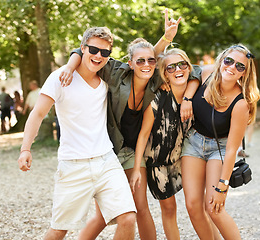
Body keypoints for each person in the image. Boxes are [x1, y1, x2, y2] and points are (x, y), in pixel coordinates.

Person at [59, 11, 201, 240]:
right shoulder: (115, 73)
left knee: (140, 207)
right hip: (107, 147)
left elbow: (193, 72)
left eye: (151, 61)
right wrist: (68, 67)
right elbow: (82, 51)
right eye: (140, 61)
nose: (146, 64)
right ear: (130, 63)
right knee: (103, 216)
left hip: (137, 151)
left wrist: (187, 98)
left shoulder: (157, 77)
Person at [17, 27, 137, 240]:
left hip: (106, 161)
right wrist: (26, 148)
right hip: (73, 164)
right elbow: (37, 114)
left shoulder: (106, 79)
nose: (98, 56)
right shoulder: (60, 78)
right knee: (59, 230)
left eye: (105, 52)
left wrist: (166, 39)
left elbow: (142, 60)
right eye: (93, 49)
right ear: (82, 48)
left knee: (128, 218)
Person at [130, 48, 215, 240]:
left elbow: (212, 68)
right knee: (169, 208)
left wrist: (188, 97)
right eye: (171, 67)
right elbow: (143, 135)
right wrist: (136, 168)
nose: (178, 69)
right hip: (157, 162)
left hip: (186, 156)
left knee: (200, 205)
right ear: (164, 74)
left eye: (182, 64)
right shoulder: (157, 98)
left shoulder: (196, 91)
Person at [180, 44, 260, 239]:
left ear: (244, 73)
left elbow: (232, 149)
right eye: (229, 61)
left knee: (214, 208)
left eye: (240, 66)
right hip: (194, 142)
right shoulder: (206, 73)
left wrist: (222, 186)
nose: (232, 67)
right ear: (221, 60)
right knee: (192, 205)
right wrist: (188, 98)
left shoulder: (241, 104)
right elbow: (190, 75)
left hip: (220, 148)